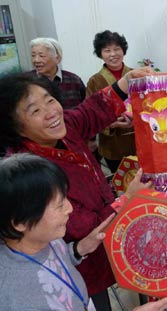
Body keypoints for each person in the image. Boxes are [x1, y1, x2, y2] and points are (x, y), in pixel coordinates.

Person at [0, 68, 153, 311]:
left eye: (50, 100)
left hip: (86, 245)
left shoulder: (63, 127)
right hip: (83, 264)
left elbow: (89, 112)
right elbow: (84, 225)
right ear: (15, 127)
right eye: (35, 110)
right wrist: (127, 199)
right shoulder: (30, 176)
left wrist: (124, 83)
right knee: (90, 298)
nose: (51, 112)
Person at [0, 153, 167, 311]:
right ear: (19, 222)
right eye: (59, 205)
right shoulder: (17, 297)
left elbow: (54, 261)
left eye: (66, 198)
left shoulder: (42, 238)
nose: (69, 209)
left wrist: (78, 249)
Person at [87, 30, 136, 173]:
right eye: (107, 50)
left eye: (117, 49)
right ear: (100, 54)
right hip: (112, 144)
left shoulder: (136, 74)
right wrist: (111, 123)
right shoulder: (94, 81)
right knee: (120, 183)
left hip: (138, 140)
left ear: (123, 50)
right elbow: (90, 114)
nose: (113, 54)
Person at [27, 37, 86, 109]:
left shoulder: (74, 80)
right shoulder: (26, 82)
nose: (36, 60)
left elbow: (85, 108)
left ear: (57, 58)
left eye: (41, 56)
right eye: (33, 56)